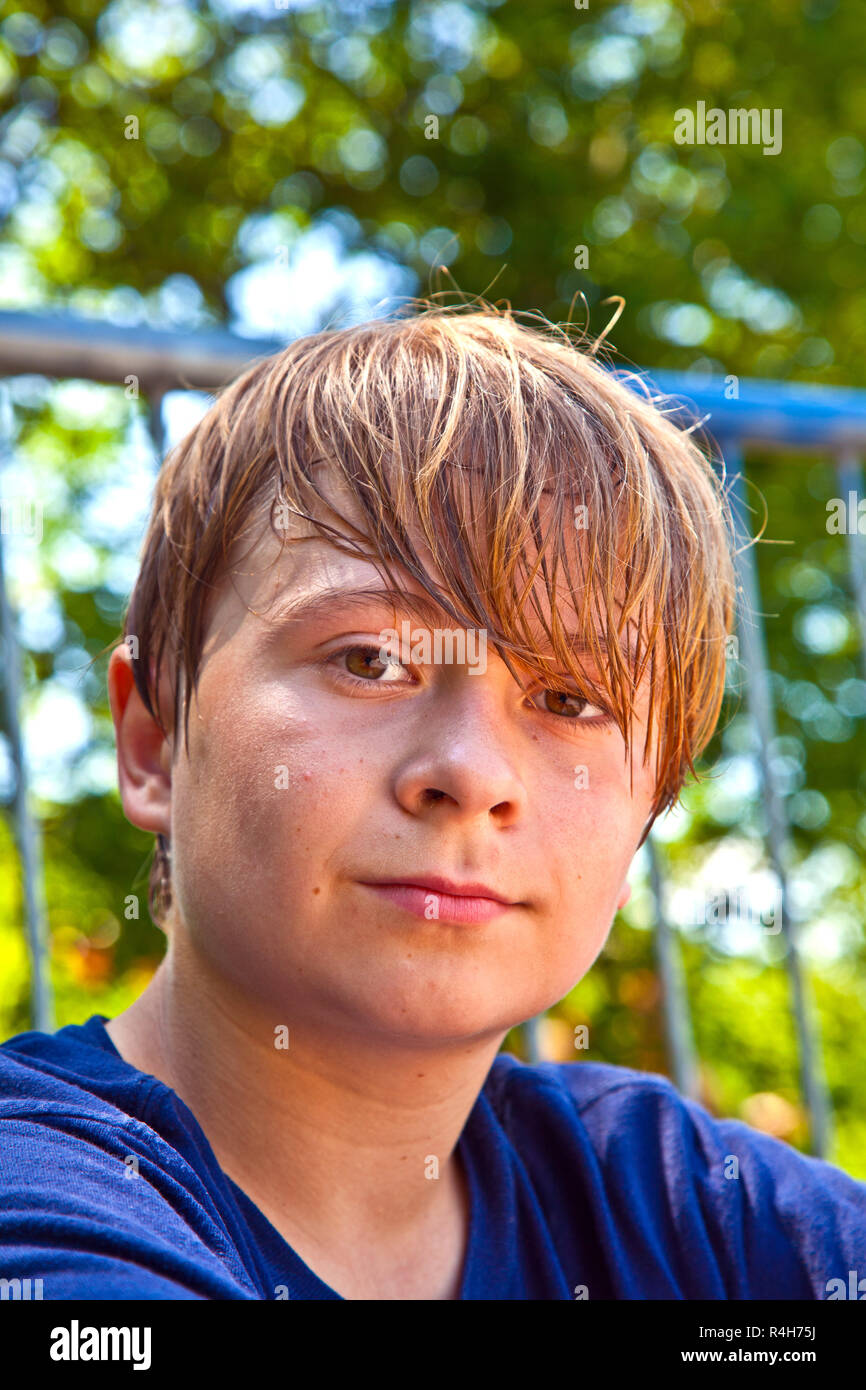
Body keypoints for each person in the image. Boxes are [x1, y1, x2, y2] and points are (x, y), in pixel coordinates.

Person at [2, 303, 864, 1301]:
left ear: (644, 810)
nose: (470, 772)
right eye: (369, 660)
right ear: (152, 740)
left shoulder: (679, 1203)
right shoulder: (45, 1207)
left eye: (568, 699)